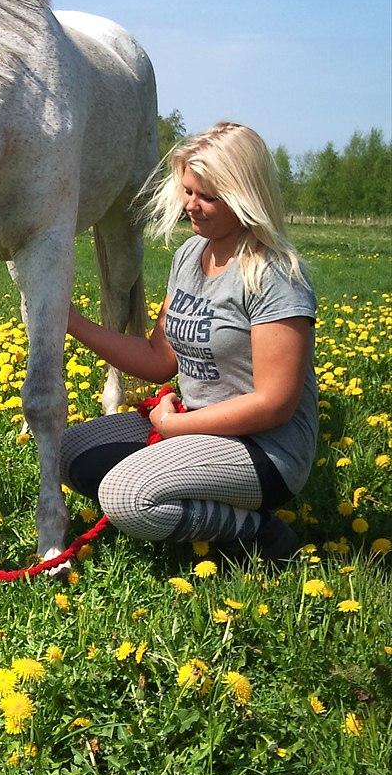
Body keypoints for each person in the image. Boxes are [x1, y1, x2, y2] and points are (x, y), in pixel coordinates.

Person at [61, 122, 318, 564]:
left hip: (264, 449)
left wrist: (175, 427)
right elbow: (159, 358)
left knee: (126, 497)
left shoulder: (274, 276)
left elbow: (275, 403)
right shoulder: (189, 256)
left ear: (244, 196)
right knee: (70, 453)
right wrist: (70, 322)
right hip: (192, 422)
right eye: (187, 191)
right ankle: (195, 496)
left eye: (207, 197)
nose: (190, 206)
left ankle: (259, 533)